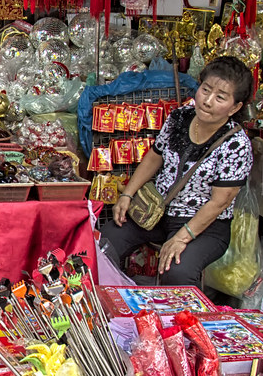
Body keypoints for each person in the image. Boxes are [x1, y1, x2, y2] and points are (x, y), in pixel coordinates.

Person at [100, 56, 254, 287]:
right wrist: (127, 194)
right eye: (205, 90)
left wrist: (182, 237)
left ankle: (183, 320)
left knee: (177, 271)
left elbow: (219, 203)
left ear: (235, 107)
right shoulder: (181, 116)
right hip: (158, 212)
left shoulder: (237, 145)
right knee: (105, 242)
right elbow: (155, 155)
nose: (207, 101)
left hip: (205, 226)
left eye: (220, 98)